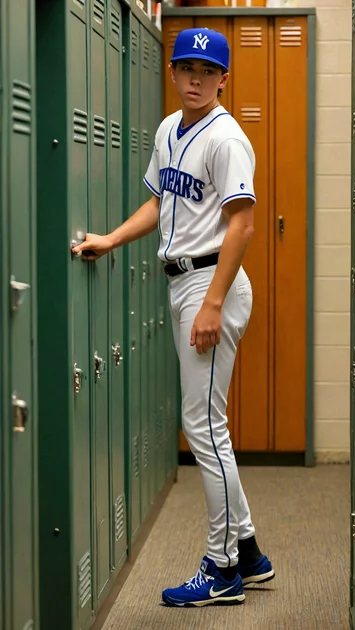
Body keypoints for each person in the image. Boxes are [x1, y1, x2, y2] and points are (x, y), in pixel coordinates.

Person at [72, 27, 274, 608]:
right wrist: (110, 239)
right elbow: (162, 200)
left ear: (222, 80)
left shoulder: (227, 138)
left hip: (213, 285)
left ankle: (222, 568)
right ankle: (250, 552)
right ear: (173, 71)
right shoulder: (168, 129)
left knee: (205, 430)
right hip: (183, 280)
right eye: (186, 68)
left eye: (206, 72)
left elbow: (242, 224)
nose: (193, 79)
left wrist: (212, 302)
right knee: (209, 428)